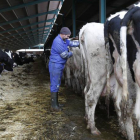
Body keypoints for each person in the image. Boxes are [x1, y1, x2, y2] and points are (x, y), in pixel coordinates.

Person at [48, 27, 79, 111]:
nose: (68, 37)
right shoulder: (57, 41)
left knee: (57, 83)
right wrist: (73, 53)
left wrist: (81, 42)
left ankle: (56, 104)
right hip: (55, 65)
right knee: (55, 83)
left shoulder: (64, 40)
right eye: (68, 36)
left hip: (59, 64)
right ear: (63, 34)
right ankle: (53, 106)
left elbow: (72, 43)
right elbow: (64, 55)